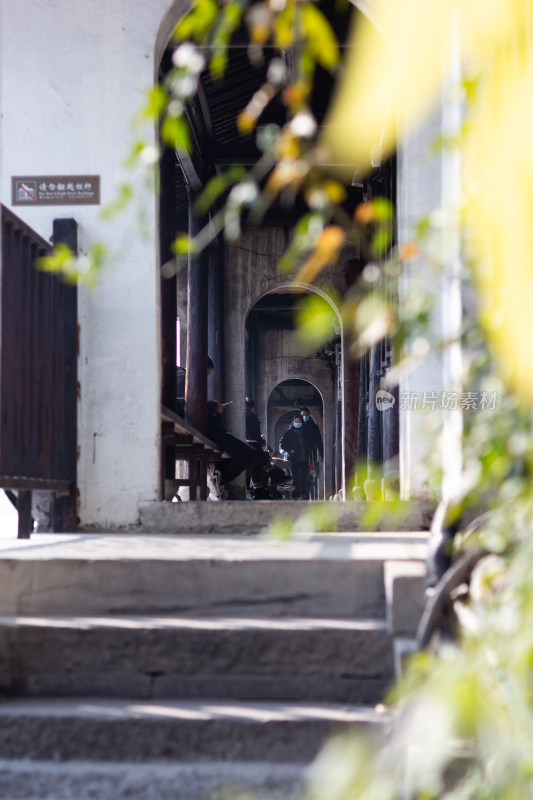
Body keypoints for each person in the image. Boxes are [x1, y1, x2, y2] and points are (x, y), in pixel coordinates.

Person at [279, 413, 311, 500]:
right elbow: (282, 444)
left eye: (299, 421)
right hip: (293, 459)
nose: (297, 423)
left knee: (304, 477)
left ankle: (303, 494)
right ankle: (295, 496)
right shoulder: (289, 433)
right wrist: (290, 450)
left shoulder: (306, 432)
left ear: (302, 422)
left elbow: (310, 444)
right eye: (296, 421)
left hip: (304, 459)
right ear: (293, 422)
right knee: (295, 478)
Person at [300, 406, 323, 500]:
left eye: (306, 415)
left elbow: (319, 441)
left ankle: (310, 496)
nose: (305, 417)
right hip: (299, 456)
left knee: (311, 475)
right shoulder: (295, 426)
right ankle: (301, 496)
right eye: (303, 415)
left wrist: (321, 454)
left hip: (311, 455)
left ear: (309, 415)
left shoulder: (313, 427)